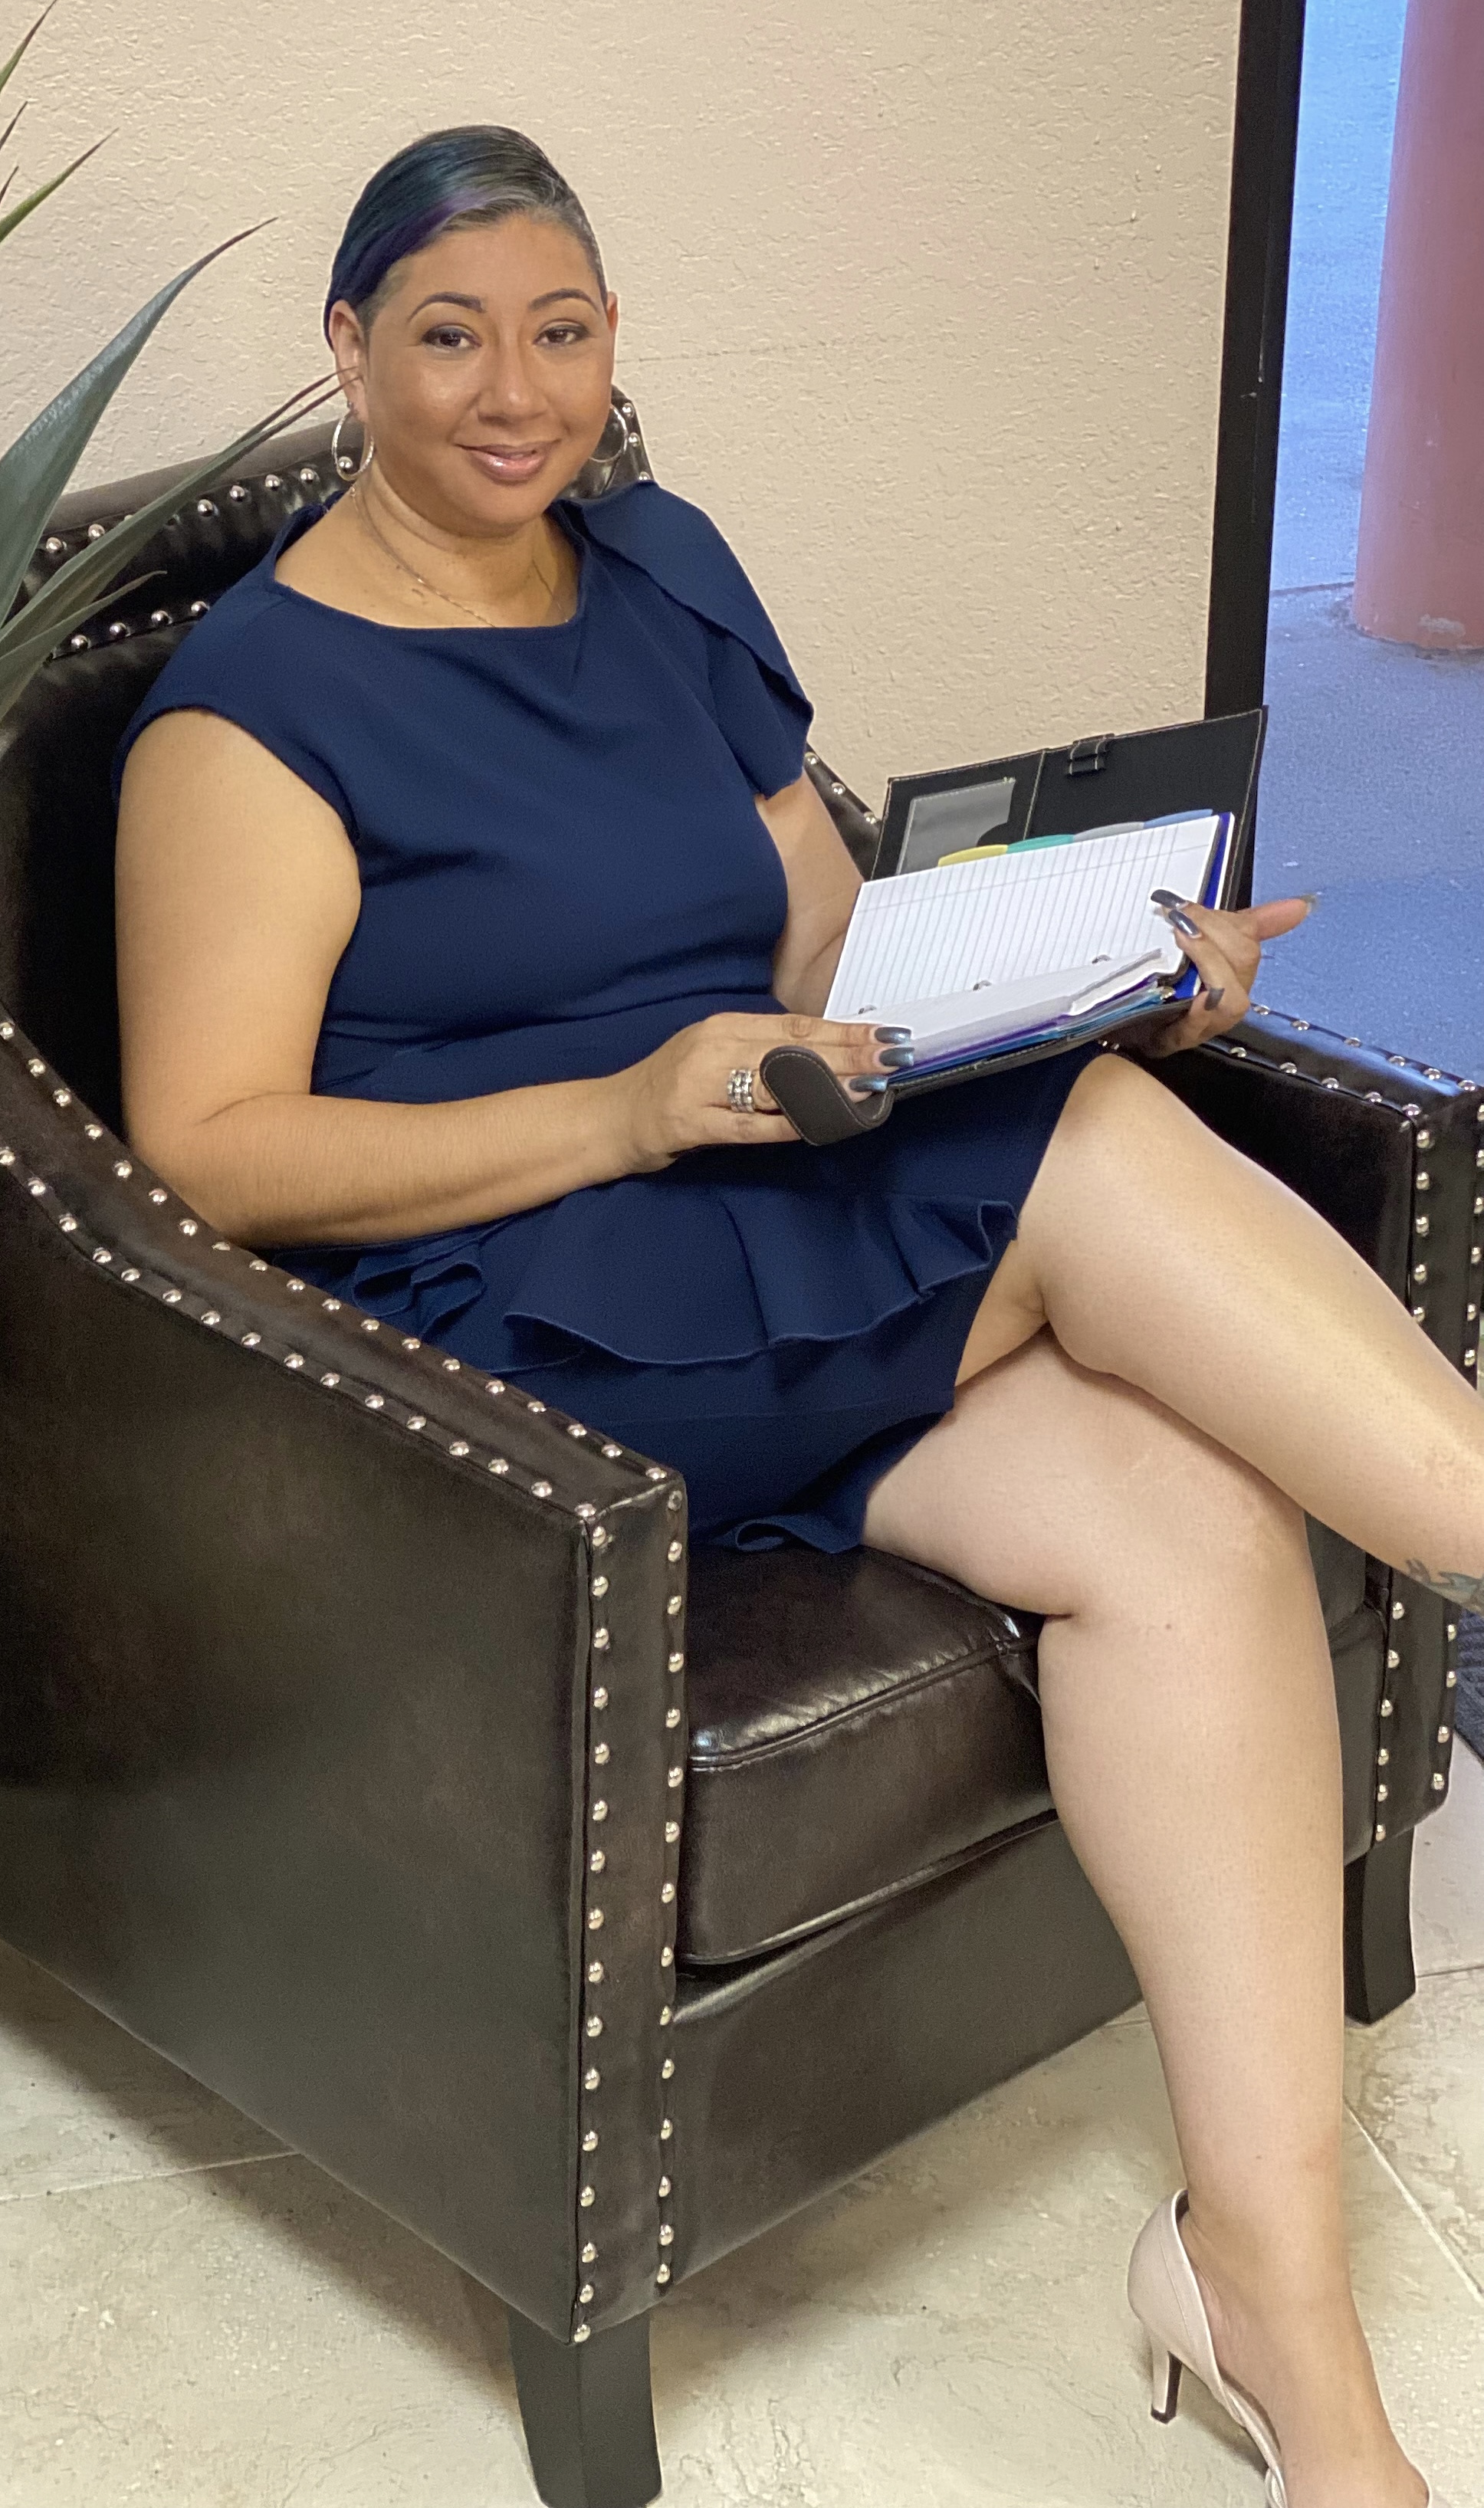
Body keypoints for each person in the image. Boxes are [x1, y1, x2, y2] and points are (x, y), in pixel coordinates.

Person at [112, 123, 1466, 2508]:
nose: (512, 393)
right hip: (526, 1299)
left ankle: (1275, 2324)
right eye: (447, 336)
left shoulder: (662, 566)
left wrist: (1094, 980)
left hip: (773, 1207)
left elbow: (831, 948)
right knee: (1103, 1169)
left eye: (562, 329)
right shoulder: (250, 712)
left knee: (1190, 1522)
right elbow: (211, 1144)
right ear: (347, 352)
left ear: (614, 345)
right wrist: (630, 1111)